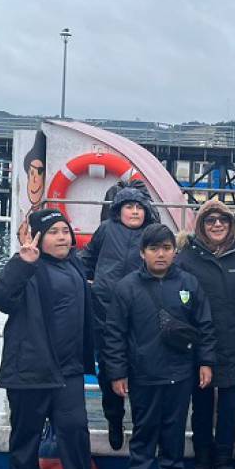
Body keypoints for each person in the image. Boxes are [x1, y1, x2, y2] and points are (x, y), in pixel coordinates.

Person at [0, 209, 104, 469]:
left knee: (76, 433)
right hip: (31, 371)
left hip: (68, 372)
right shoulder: (28, 268)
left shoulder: (75, 266)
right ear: (39, 237)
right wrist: (22, 262)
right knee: (26, 439)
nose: (62, 237)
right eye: (53, 232)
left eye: (65, 231)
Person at [106, 224, 216, 469]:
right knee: (143, 435)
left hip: (181, 374)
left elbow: (204, 325)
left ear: (174, 252)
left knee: (174, 435)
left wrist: (206, 362)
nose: (161, 254)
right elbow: (114, 334)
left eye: (166, 248)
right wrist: (117, 373)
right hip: (143, 375)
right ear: (142, 253)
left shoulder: (189, 284)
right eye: (154, 249)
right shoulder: (126, 287)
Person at [176, 199, 235, 469]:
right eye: (210, 220)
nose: (217, 225)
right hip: (198, 346)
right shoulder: (184, 258)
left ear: (231, 224)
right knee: (200, 406)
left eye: (223, 219)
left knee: (229, 407)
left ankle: (224, 462)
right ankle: (202, 463)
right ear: (201, 225)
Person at [78, 183, 160, 450]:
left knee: (141, 370)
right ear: (118, 210)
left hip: (141, 314)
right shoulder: (105, 230)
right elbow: (87, 258)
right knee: (109, 371)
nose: (135, 212)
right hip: (105, 310)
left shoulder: (152, 235)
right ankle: (114, 419)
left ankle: (141, 426)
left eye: (139, 207)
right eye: (129, 207)